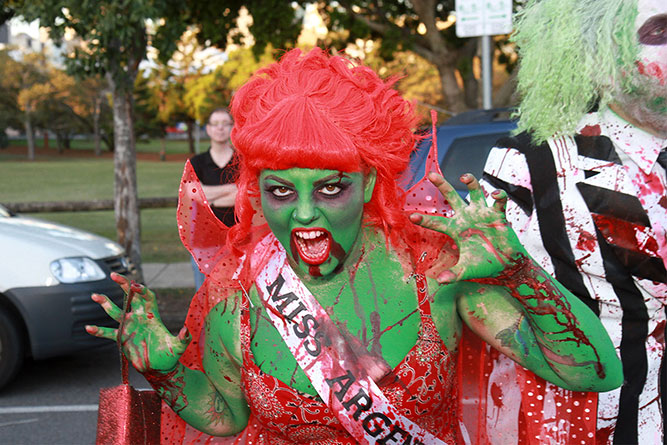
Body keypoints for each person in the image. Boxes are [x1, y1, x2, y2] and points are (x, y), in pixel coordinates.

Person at [86, 48, 622, 444]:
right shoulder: (237, 292)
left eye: (329, 187)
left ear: (368, 183)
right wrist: (167, 373)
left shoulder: (436, 271)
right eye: (278, 190)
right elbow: (228, 417)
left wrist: (519, 275)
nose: (301, 213)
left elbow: (593, 371)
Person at [481, 0, 666, 443]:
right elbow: (475, 291)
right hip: (594, 422)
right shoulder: (530, 160)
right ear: (600, 56)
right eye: (658, 32)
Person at [188, 108, 238, 289]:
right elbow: (191, 194)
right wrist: (230, 189)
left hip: (238, 240)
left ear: (233, 128)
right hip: (205, 241)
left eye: (225, 124)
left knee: (237, 297)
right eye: (215, 124)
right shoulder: (196, 162)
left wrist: (208, 197)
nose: (220, 128)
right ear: (208, 129)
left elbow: (244, 195)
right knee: (206, 296)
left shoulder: (241, 162)